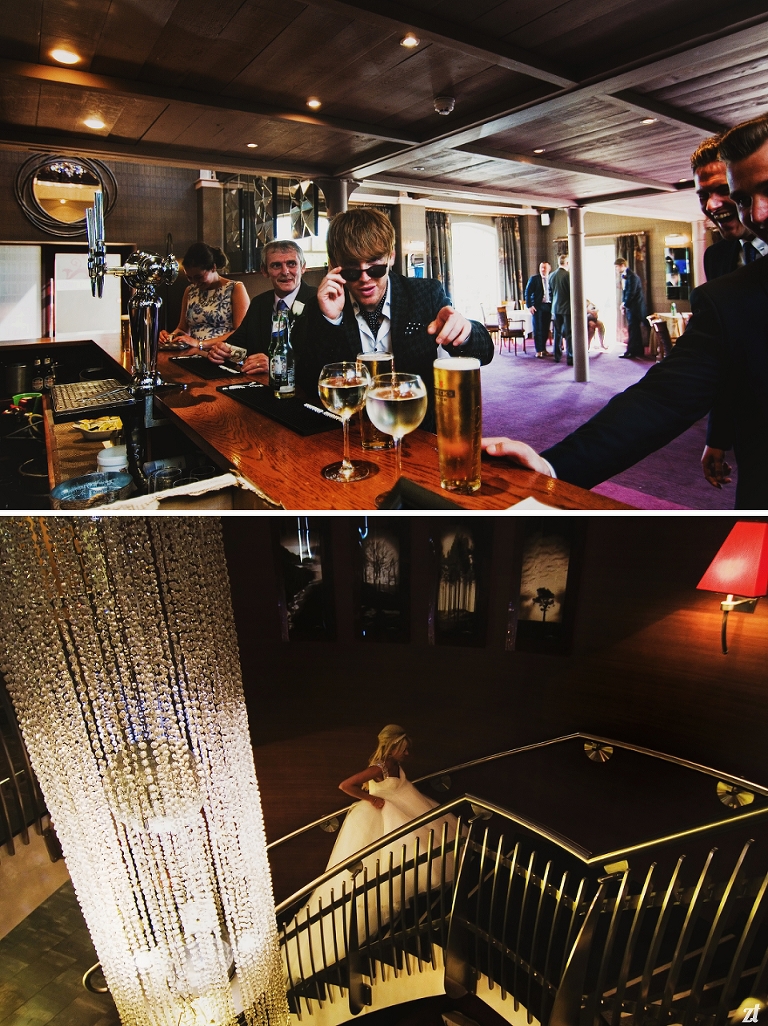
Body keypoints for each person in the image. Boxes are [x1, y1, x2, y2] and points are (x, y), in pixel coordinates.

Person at [480, 113, 768, 511]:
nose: (756, 214)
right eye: (744, 198)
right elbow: (665, 397)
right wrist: (551, 469)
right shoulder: (728, 285)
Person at [285, 725, 456, 978]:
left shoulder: (394, 765)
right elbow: (345, 785)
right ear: (393, 746)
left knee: (416, 848)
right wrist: (372, 800)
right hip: (381, 818)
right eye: (404, 748)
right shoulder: (381, 767)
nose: (407, 753)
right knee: (381, 866)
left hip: (401, 813)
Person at [303, 209, 494, 431]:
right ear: (334, 264)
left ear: (391, 257)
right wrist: (330, 320)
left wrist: (465, 332)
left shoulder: (426, 294)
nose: (365, 279)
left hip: (417, 430)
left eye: (375, 267)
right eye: (352, 270)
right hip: (354, 433)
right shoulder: (320, 307)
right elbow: (309, 383)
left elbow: (485, 353)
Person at [691, 136, 768, 490]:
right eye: (703, 195)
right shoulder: (718, 258)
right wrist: (717, 436)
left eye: (725, 191)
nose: (712, 205)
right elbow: (728, 359)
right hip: (754, 442)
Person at [208, 240, 316, 375]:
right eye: (276, 265)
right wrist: (221, 351)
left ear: (303, 267)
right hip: (257, 386)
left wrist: (277, 366)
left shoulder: (317, 301)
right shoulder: (259, 303)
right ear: (264, 271)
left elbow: (321, 361)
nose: (285, 271)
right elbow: (236, 344)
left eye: (291, 264)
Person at [159, 243, 249, 351]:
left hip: (222, 354)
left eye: (199, 277)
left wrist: (200, 343)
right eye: (190, 278)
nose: (195, 283)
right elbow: (182, 329)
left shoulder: (235, 288)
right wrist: (169, 337)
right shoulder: (190, 291)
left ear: (213, 267)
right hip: (193, 353)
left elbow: (240, 333)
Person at [615, 257, 646, 359]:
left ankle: (631, 351)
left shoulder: (632, 277)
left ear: (622, 265)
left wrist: (624, 304)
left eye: (617, 267)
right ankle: (639, 350)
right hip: (632, 307)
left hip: (635, 307)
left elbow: (631, 293)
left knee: (632, 329)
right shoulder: (626, 276)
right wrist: (624, 305)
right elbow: (626, 292)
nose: (616, 269)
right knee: (635, 329)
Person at [524, 260, 552, 358]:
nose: (543, 270)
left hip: (548, 306)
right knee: (538, 329)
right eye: (541, 268)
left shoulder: (551, 279)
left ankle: (544, 349)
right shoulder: (534, 279)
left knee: (545, 329)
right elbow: (527, 292)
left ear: (549, 269)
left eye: (545, 268)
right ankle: (538, 350)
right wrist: (529, 306)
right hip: (537, 307)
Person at [549, 254, 571, 364]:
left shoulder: (551, 275)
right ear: (567, 263)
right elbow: (571, 293)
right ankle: (570, 357)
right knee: (569, 333)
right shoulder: (568, 275)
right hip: (567, 308)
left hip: (555, 308)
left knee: (557, 333)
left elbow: (550, 294)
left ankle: (557, 356)